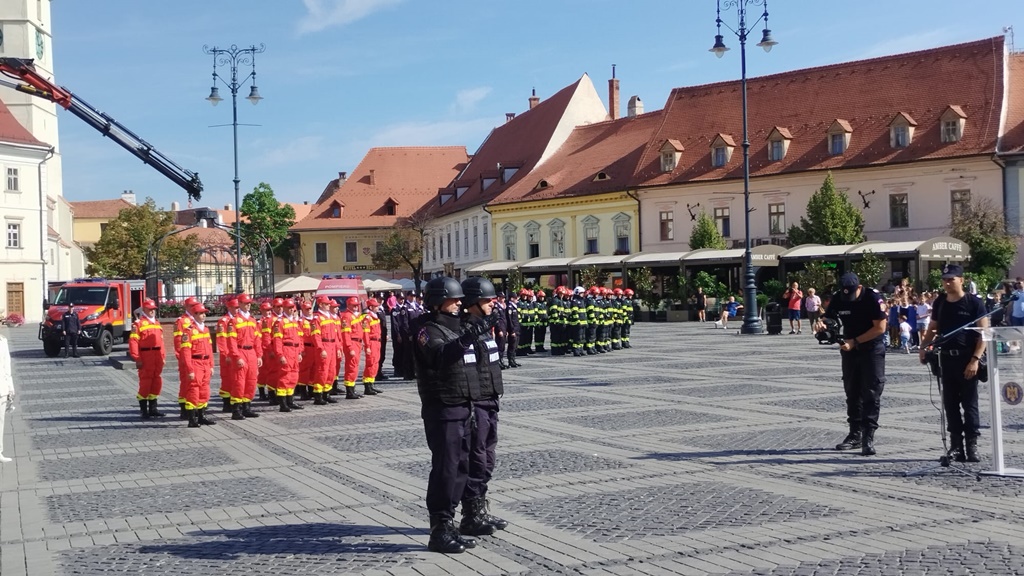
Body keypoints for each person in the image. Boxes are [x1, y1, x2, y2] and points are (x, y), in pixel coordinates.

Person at [414, 276, 495, 554]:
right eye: (454, 299)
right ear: (437, 302)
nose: (460, 303)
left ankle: (452, 524)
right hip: (443, 408)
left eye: (461, 299)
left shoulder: (457, 328)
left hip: (464, 406)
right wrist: (468, 337)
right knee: (446, 470)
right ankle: (439, 528)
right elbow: (440, 357)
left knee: (462, 467)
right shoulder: (428, 331)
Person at [919, 264, 988, 463]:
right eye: (945, 279)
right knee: (950, 405)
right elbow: (933, 328)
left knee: (970, 405)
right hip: (946, 359)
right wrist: (924, 347)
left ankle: (972, 446)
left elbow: (983, 334)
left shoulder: (974, 303)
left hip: (967, 359)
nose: (947, 283)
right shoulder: (940, 302)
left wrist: (975, 360)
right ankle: (956, 446)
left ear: (961, 280)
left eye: (951, 279)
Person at [814, 272, 887, 456]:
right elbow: (829, 316)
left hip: (871, 349)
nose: (848, 297)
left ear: (859, 287)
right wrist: (822, 324)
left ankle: (868, 437)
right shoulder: (840, 297)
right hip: (849, 349)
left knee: (871, 391)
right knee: (852, 391)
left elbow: (880, 328)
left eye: (851, 294)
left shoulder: (872, 297)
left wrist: (856, 341)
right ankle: (854, 434)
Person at [459, 276, 509, 538]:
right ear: (472, 303)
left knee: (487, 458)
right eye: (487, 300)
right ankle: (470, 515)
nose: (493, 303)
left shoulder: (483, 328)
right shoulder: (466, 331)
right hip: (476, 403)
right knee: (476, 459)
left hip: (490, 401)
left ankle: (480, 507)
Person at [179, 302, 217, 428]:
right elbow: (185, 352)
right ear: (194, 315)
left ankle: (202, 416)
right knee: (194, 390)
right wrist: (189, 369)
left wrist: (211, 365)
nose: (203, 315)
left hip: (205, 363)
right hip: (195, 363)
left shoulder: (205, 329)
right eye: (200, 313)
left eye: (204, 313)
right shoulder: (188, 331)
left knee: (204, 391)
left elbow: (210, 349)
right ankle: (192, 418)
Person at [129, 299, 167, 419]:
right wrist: (137, 358)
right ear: (144, 309)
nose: (152, 311)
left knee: (156, 382)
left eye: (153, 309)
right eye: (150, 309)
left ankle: (153, 409)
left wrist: (163, 356)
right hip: (146, 356)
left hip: (157, 356)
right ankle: (144, 411)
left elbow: (161, 342)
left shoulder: (156, 323)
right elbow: (133, 342)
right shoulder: (138, 324)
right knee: (145, 383)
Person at [0, 333, 15, 463]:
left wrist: (11, 388)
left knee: (0, 422)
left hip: (2, 388)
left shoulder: (3, 341)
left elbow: (7, 366)